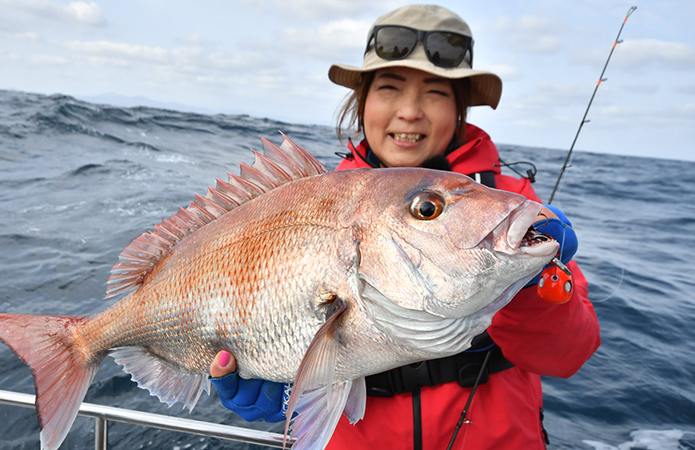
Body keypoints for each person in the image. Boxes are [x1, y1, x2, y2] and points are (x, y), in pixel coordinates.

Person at [208, 5, 600, 449]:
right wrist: (291, 393)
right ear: (363, 101)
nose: (410, 112)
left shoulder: (510, 206)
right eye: (390, 88)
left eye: (434, 93)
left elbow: (568, 355)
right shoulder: (302, 203)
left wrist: (534, 286)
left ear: (460, 109)